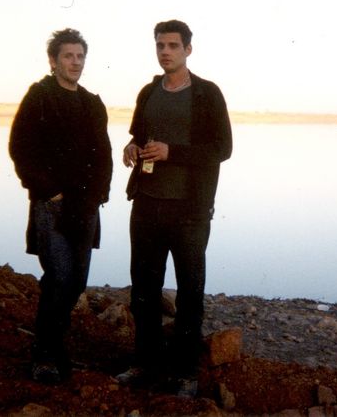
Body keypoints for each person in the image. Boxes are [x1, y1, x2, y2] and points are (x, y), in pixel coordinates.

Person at [118, 19, 232, 397]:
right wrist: (132, 148)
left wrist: (172, 152)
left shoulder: (206, 94)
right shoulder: (149, 91)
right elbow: (138, 135)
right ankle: (144, 364)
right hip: (147, 204)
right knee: (144, 290)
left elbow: (222, 149)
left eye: (172, 45)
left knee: (189, 291)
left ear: (188, 50)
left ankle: (185, 373)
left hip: (189, 211)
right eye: (160, 45)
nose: (165, 52)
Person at [9, 28, 113, 384]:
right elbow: (20, 148)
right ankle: (44, 355)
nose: (76, 62)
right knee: (59, 278)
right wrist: (49, 192)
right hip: (51, 205)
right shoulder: (40, 96)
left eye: (80, 56)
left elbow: (104, 155)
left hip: (85, 207)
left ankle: (55, 344)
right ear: (53, 61)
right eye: (68, 56)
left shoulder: (92, 103)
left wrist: (98, 195)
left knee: (77, 281)